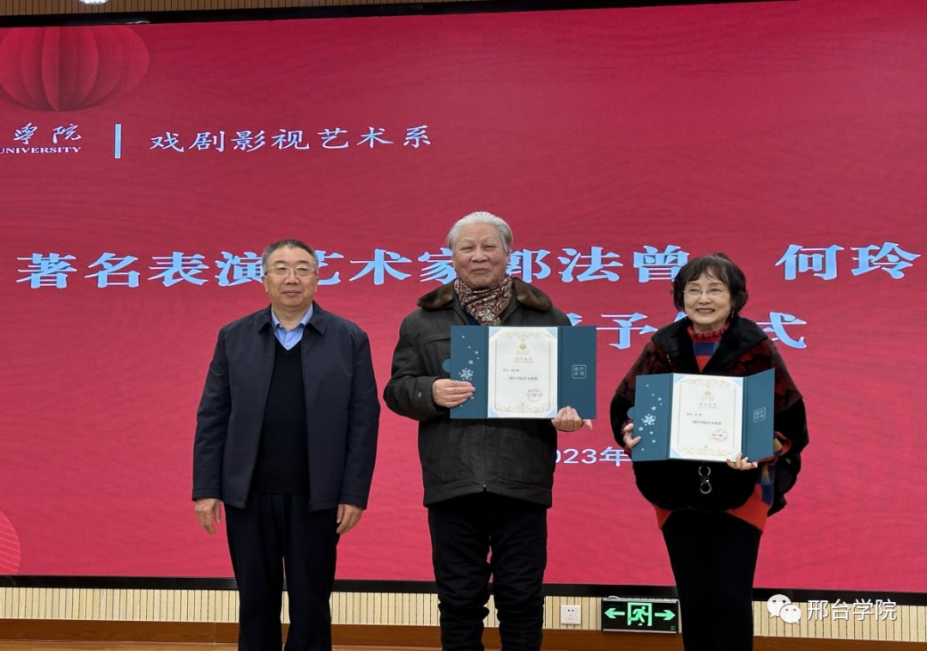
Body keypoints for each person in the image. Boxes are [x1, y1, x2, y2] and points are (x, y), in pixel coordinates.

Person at [384, 211, 590, 651]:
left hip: (522, 480)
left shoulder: (548, 316)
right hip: (452, 481)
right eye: (468, 248)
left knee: (522, 599)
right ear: (452, 256)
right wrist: (429, 391)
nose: (479, 256)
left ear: (507, 253)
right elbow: (397, 391)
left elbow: (571, 392)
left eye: (489, 246)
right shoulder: (421, 321)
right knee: (459, 599)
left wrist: (570, 414)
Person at [610, 253, 808, 651]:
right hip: (674, 490)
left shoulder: (755, 347)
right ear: (680, 297)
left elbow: (790, 423)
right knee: (695, 599)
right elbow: (626, 407)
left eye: (715, 289)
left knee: (731, 599)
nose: (703, 299)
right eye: (694, 290)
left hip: (742, 490)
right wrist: (629, 433)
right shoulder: (662, 345)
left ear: (735, 298)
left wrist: (759, 450)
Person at [192, 239, 379, 651]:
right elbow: (213, 416)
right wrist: (206, 488)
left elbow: (364, 421)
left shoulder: (349, 338)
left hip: (318, 496)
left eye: (302, 268)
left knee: (311, 605)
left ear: (317, 278)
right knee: (255, 602)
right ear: (264, 280)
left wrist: (353, 494)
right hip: (248, 495)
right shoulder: (234, 336)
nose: (291, 278)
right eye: (280, 268)